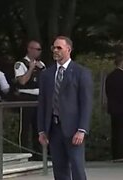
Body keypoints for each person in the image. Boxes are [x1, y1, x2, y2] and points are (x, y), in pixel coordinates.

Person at [37, 36, 93, 180]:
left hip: (73, 130)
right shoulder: (47, 74)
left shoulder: (81, 73)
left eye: (59, 48)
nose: (55, 50)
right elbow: (43, 103)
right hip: (54, 129)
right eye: (53, 48)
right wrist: (42, 129)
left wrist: (82, 129)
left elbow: (86, 103)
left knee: (77, 167)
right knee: (59, 168)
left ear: (68, 49)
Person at [14, 40, 45, 160]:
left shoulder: (41, 64)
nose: (38, 52)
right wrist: (31, 69)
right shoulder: (20, 64)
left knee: (38, 128)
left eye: (40, 50)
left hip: (39, 98)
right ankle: (24, 153)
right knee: (25, 127)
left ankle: (38, 154)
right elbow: (22, 81)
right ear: (29, 49)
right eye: (36, 49)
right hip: (26, 97)